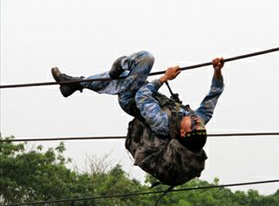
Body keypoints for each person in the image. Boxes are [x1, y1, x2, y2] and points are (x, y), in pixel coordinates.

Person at [51, 51, 225, 186]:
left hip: (131, 99)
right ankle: (74, 84)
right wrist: (217, 71)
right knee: (123, 79)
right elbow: (214, 95)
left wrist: (165, 78)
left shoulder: (163, 124)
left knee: (144, 59)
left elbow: (142, 96)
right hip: (147, 93)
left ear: (182, 132)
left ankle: (116, 67)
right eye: (199, 123)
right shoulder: (197, 118)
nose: (195, 119)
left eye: (193, 124)